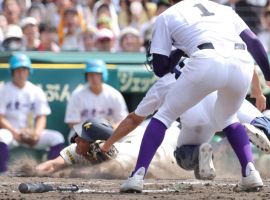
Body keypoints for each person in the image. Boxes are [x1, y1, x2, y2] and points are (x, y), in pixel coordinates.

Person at [105, 0, 270, 193]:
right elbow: (254, 42)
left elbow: (160, 69)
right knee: (228, 118)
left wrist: (180, 48)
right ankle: (250, 173)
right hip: (242, 63)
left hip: (205, 62)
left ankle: (136, 177)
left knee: (164, 116)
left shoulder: (167, 15)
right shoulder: (224, 9)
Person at [101, 63, 270, 180]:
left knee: (184, 156)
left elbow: (133, 120)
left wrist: (106, 145)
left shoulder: (164, 82)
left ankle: (201, 155)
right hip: (227, 104)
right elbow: (246, 64)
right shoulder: (209, 52)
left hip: (196, 120)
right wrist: (257, 92)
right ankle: (255, 129)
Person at [35, 118, 180, 176]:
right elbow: (52, 165)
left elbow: (97, 171)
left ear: (95, 146)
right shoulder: (79, 148)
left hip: (162, 140)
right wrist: (35, 171)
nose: (77, 140)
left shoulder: (123, 157)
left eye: (83, 139)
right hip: (132, 135)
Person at [0, 54, 65, 173]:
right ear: (12, 71)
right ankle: (2, 173)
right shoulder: (3, 89)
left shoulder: (35, 90)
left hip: (31, 133)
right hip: (11, 133)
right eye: (18, 69)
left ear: (29, 71)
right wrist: (15, 133)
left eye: (24, 69)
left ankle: (52, 171)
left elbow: (41, 116)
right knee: (1, 135)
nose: (21, 73)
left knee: (57, 137)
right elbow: (1, 117)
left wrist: (37, 134)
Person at [64, 59, 128, 142]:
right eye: (91, 75)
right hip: (84, 134)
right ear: (86, 76)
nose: (94, 78)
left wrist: (106, 132)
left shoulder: (114, 94)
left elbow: (122, 120)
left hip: (109, 134)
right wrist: (92, 132)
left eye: (97, 74)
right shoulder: (77, 94)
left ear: (103, 75)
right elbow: (72, 123)